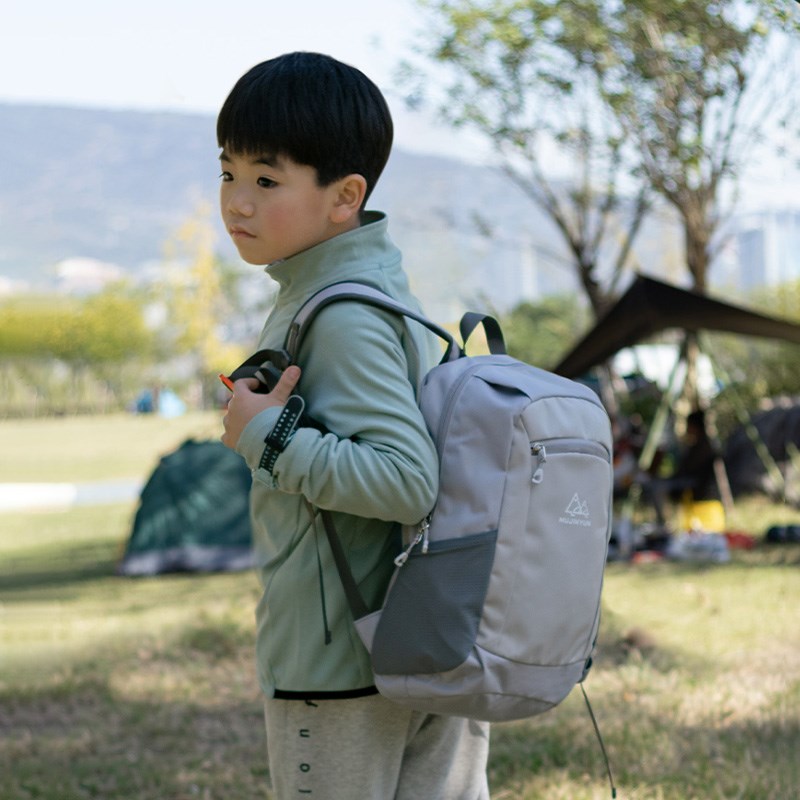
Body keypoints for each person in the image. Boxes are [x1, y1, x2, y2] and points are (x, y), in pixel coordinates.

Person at [217, 52, 490, 799]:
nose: (237, 201)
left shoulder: (340, 312)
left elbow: (406, 482)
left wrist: (265, 436)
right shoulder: (375, 287)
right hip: (418, 640)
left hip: (340, 667)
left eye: (266, 180)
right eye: (228, 172)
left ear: (345, 197)